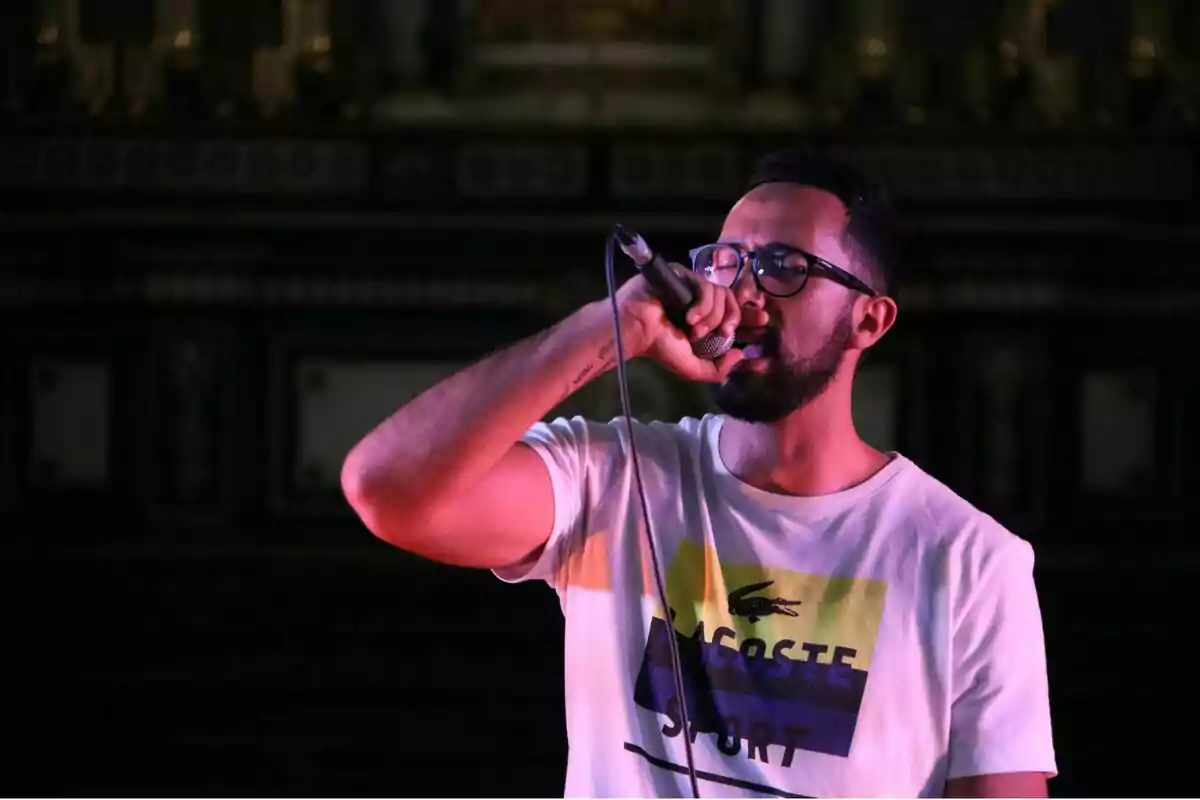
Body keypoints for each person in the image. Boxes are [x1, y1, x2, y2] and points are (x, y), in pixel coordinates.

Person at [341, 150, 1057, 798]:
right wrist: (609, 332)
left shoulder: (970, 560)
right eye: (725, 262)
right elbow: (388, 490)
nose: (742, 293)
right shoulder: (614, 478)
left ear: (868, 320)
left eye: (784, 268)